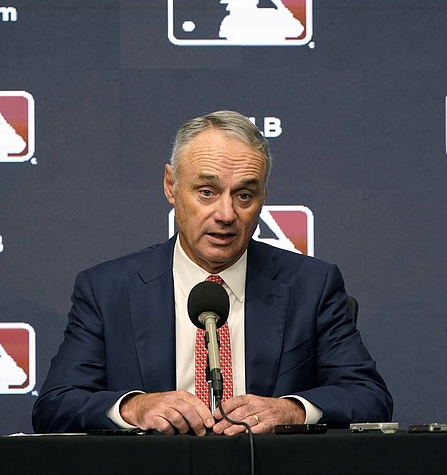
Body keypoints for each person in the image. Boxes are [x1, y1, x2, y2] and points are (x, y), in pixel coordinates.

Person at [32, 110, 392, 435]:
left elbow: (368, 397)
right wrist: (133, 407)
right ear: (170, 186)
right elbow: (55, 404)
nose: (226, 214)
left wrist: (290, 410)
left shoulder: (310, 286)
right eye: (206, 191)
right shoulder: (107, 290)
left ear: (263, 196)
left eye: (244, 196)